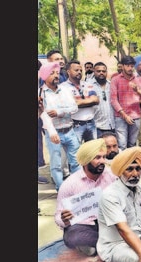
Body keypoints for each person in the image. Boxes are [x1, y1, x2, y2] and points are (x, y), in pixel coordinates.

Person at [97, 147, 141, 262]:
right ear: (121, 171)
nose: (135, 174)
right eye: (129, 169)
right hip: (117, 245)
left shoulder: (139, 188)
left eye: (138, 169)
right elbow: (123, 229)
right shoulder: (110, 195)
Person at [55, 139, 117, 256]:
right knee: (73, 236)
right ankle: (107, 244)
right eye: (97, 158)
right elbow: (58, 216)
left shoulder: (111, 176)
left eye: (104, 157)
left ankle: (99, 245)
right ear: (85, 161)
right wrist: (64, 219)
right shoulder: (70, 184)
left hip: (109, 221)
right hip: (85, 225)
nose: (102, 161)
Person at [39, 61, 81, 191]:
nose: (56, 75)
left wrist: (59, 112)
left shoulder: (66, 89)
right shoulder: (41, 93)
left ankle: (76, 189)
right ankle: (61, 190)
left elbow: (74, 107)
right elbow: (42, 114)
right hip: (54, 134)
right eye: (52, 73)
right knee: (56, 165)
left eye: (57, 73)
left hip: (70, 131)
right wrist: (52, 132)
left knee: (76, 162)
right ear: (45, 76)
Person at [110, 55, 141, 150]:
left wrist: (138, 90)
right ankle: (123, 164)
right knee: (122, 145)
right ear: (123, 66)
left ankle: (131, 164)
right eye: (127, 66)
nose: (130, 68)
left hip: (135, 116)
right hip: (120, 117)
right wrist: (124, 115)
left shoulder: (138, 80)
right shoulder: (115, 80)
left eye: (132, 66)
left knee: (132, 144)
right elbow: (113, 100)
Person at [60, 59, 100, 144]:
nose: (79, 72)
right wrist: (88, 101)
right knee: (76, 152)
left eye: (81, 70)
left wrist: (79, 102)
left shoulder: (87, 84)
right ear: (68, 72)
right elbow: (72, 104)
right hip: (75, 124)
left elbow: (96, 100)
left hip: (91, 123)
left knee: (92, 152)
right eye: (76, 70)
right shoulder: (63, 87)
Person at [91, 62, 116, 137]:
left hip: (113, 125)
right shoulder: (88, 86)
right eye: (98, 71)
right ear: (94, 72)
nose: (101, 73)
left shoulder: (112, 84)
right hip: (97, 126)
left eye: (103, 71)